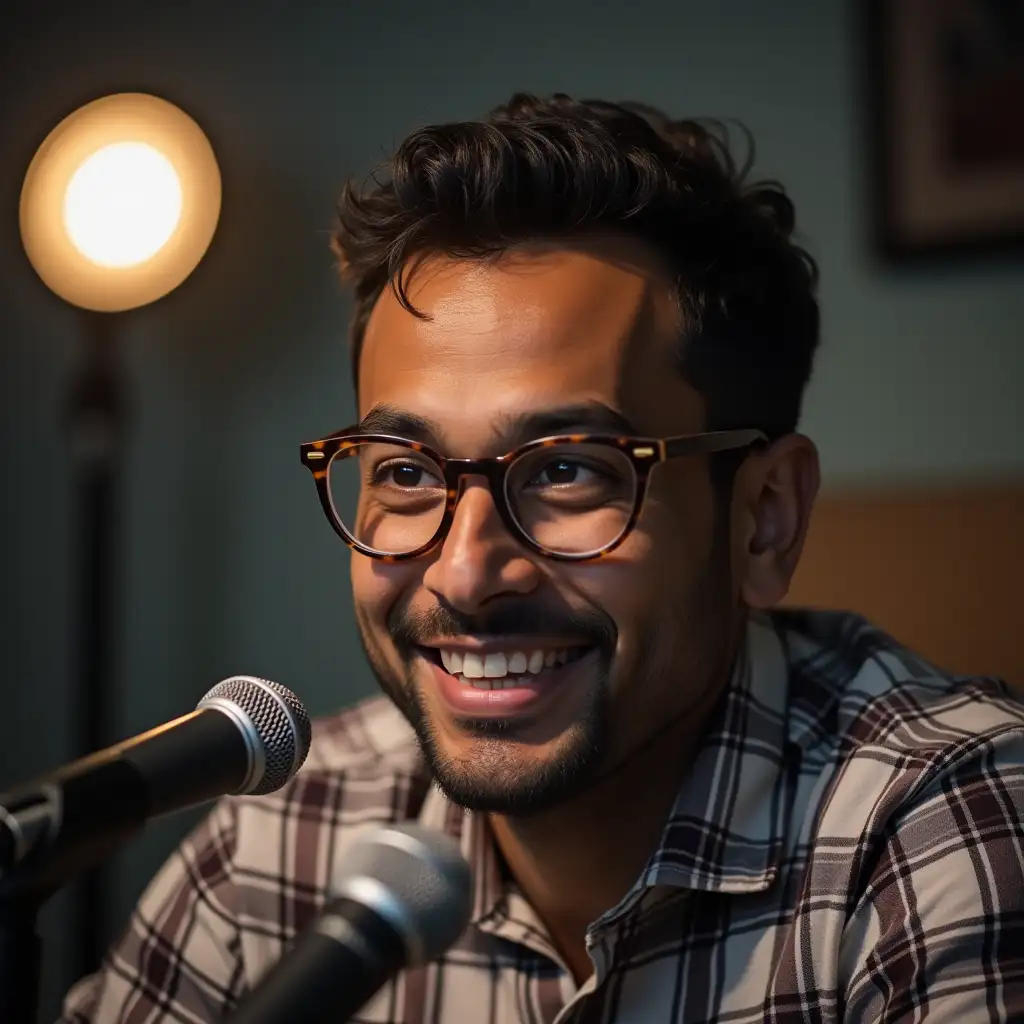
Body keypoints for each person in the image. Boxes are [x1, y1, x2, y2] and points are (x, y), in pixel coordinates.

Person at [61, 93, 1024, 1024]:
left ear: (764, 519)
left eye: (568, 470)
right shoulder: (278, 850)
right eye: (405, 472)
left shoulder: (943, 825)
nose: (467, 574)